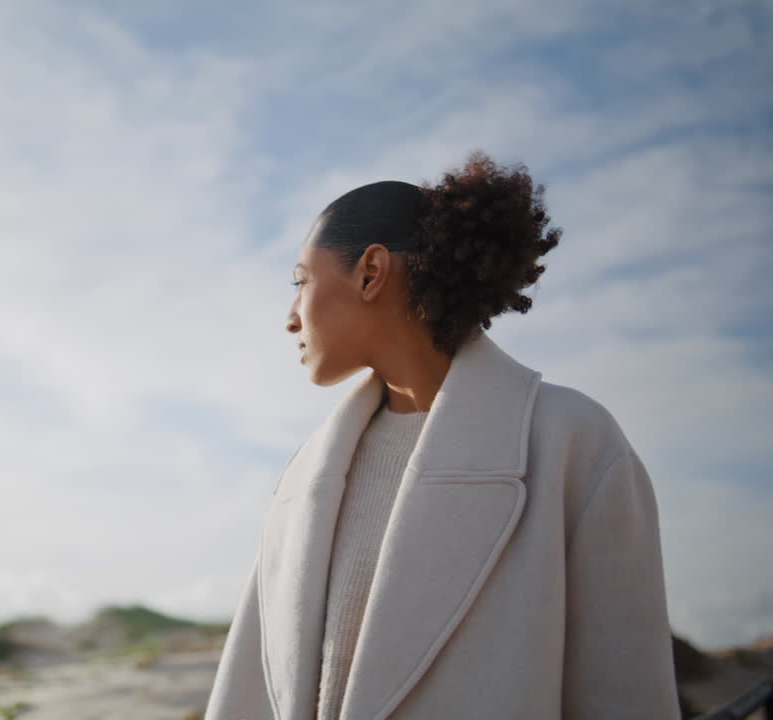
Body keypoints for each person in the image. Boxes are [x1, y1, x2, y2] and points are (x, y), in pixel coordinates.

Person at [203, 152, 680, 719]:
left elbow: (625, 697)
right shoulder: (306, 474)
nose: (290, 316)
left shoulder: (574, 444)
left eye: (301, 281)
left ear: (371, 272)